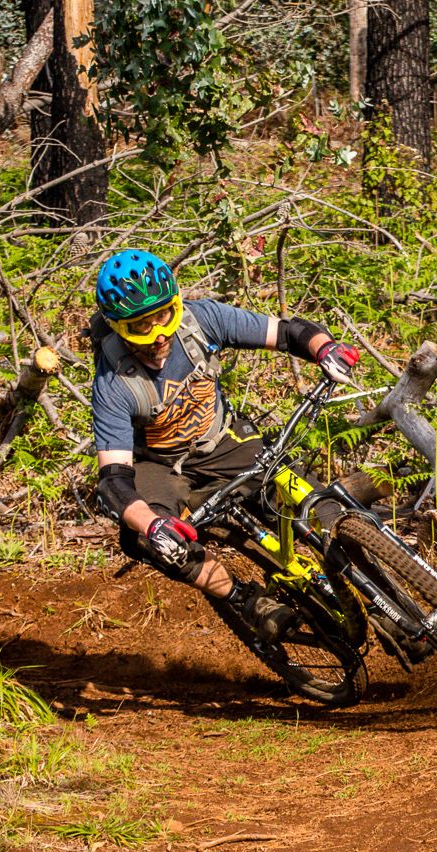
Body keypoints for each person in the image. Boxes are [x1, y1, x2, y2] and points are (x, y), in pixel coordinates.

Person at [88, 248, 361, 642]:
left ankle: (375, 580)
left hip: (221, 440)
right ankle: (245, 600)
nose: (158, 334)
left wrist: (325, 349)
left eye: (163, 316)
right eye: (141, 326)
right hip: (160, 466)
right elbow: (113, 481)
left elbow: (289, 332)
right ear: (118, 327)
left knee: (313, 499)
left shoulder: (201, 320)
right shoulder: (113, 385)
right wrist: (152, 523)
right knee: (150, 541)